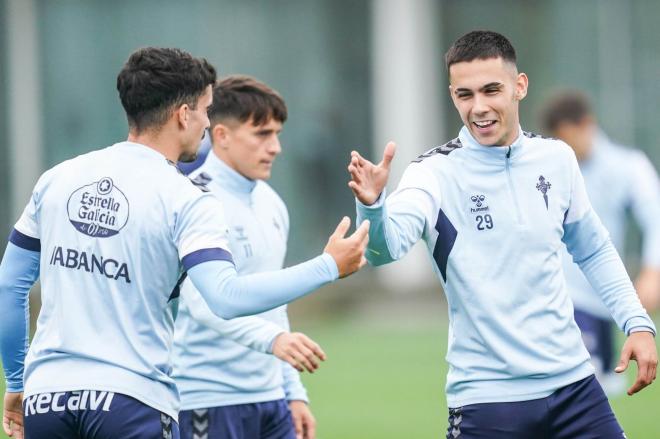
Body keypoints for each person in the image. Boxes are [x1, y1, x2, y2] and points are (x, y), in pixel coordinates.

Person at [0, 47, 369, 439]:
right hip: (132, 399)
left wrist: (17, 380)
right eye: (207, 110)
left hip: (48, 398)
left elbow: (10, 285)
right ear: (184, 114)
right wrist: (328, 266)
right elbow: (225, 297)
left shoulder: (58, 178)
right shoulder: (187, 197)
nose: (208, 123)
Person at [347, 30, 657, 438]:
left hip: (574, 387)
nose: (479, 107)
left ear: (519, 86)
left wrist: (636, 323)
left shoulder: (557, 158)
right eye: (465, 95)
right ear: (453, 95)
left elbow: (594, 250)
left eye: (492, 90)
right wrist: (373, 206)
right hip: (488, 401)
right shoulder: (432, 174)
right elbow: (383, 253)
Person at [173, 76, 318, 439]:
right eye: (262, 134)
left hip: (271, 399)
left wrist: (293, 392)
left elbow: (274, 304)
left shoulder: (273, 203)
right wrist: (273, 340)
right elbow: (203, 303)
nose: (276, 147)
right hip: (207, 397)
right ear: (221, 135)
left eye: (277, 133)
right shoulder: (195, 201)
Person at [539, 90, 660, 395]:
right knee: (575, 393)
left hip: (605, 301)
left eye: (569, 138)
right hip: (560, 300)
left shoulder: (628, 166)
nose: (566, 148)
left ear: (587, 125)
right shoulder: (546, 169)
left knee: (598, 397)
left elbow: (655, 215)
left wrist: (653, 271)